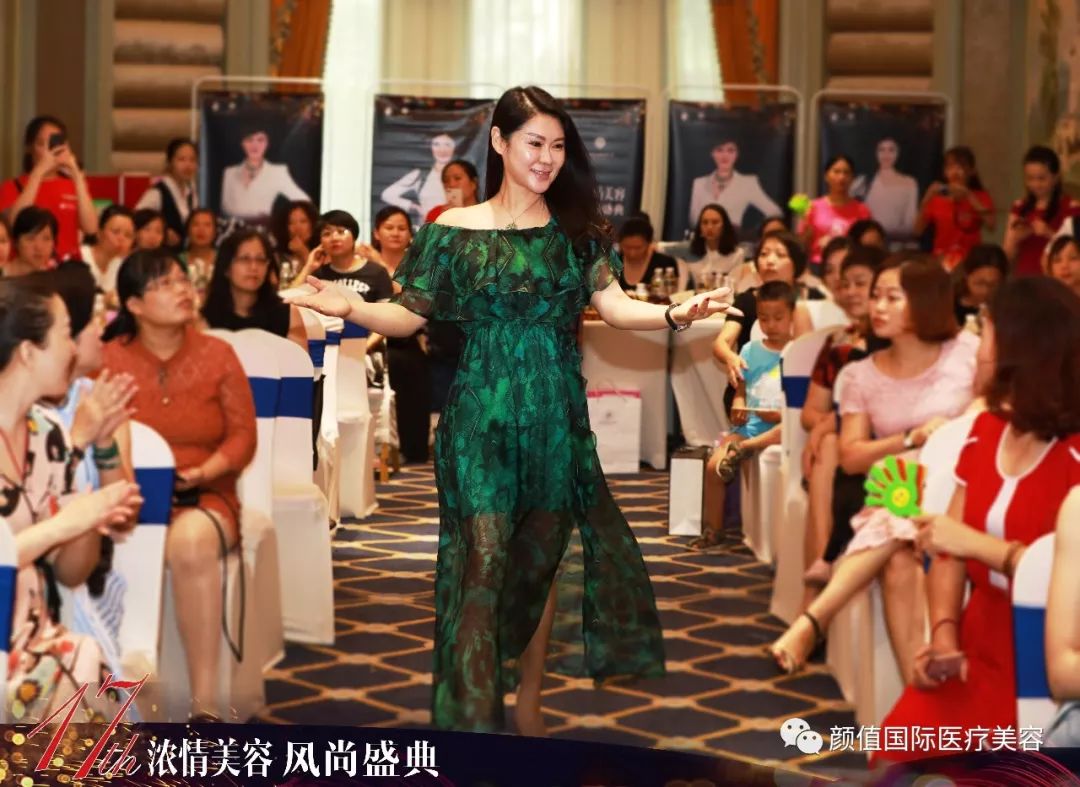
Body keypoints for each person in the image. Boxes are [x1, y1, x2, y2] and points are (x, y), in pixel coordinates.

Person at [285, 85, 737, 735]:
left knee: (537, 561)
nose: (547, 157)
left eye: (558, 146)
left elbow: (613, 307)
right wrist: (351, 306)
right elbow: (408, 314)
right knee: (482, 556)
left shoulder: (577, 232)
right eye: (534, 143)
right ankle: (472, 712)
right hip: (480, 419)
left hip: (555, 418)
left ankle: (529, 697)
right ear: (498, 142)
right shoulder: (451, 231)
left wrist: (673, 312)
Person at [874, 276, 1080, 764]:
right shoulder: (985, 430)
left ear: (1017, 349)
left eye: (985, 332)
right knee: (892, 756)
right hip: (975, 641)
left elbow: (1055, 572)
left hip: (1041, 657)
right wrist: (944, 634)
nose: (977, 350)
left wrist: (976, 545)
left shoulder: (1074, 455)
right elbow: (945, 547)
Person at [768, 256, 979, 679]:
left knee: (907, 494)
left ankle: (814, 619)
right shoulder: (860, 375)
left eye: (892, 297)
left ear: (926, 300)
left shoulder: (968, 353)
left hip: (960, 491)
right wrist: (909, 439)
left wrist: (954, 430)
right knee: (899, 553)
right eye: (876, 296)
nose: (878, 306)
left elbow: (993, 409)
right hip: (887, 493)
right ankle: (917, 695)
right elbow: (851, 455)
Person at [102, 249, 257, 722]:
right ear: (134, 304)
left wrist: (205, 472)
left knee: (188, 543)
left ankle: (204, 706)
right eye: (165, 284)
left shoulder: (217, 354)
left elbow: (243, 436)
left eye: (183, 280)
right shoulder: (108, 361)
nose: (183, 290)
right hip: (127, 499)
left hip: (204, 495)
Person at [0, 277, 142, 722]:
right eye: (65, 334)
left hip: (34, 638)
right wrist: (67, 522)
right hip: (12, 651)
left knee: (82, 664)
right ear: (28, 352)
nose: (74, 350)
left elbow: (69, 571)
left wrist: (92, 519)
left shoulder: (49, 436)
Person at [798, 246, 885, 594]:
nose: (850, 292)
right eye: (845, 284)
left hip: (883, 448)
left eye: (860, 283)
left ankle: (819, 582)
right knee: (831, 446)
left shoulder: (896, 340)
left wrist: (830, 424)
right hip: (840, 450)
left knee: (832, 444)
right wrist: (827, 424)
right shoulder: (838, 342)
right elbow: (809, 412)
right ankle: (824, 565)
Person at [690, 281, 795, 549]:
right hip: (750, 427)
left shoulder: (798, 353)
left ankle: (745, 450)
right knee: (714, 467)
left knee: (786, 428)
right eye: (764, 319)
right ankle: (713, 530)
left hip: (782, 429)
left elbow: (800, 404)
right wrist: (738, 403)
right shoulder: (750, 350)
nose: (771, 325)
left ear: (792, 316)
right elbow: (741, 388)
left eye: (778, 318)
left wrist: (780, 415)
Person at [713, 231, 816, 388]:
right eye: (764, 254)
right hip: (752, 386)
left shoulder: (811, 298)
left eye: (780, 255)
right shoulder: (747, 300)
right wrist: (731, 358)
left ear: (796, 263)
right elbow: (722, 342)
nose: (769, 261)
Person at [0, 116, 97, 261]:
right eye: (41, 144)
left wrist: (76, 175)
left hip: (68, 266)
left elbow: (91, 228)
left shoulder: (73, 185)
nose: (48, 150)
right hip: (29, 268)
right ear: (30, 147)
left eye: (53, 143)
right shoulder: (12, 186)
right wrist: (39, 172)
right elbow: (14, 223)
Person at [201, 228, 307, 351]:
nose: (254, 267)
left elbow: (300, 362)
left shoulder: (287, 314)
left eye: (260, 260)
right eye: (245, 259)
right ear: (226, 267)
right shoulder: (206, 316)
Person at [914, 145, 995, 271]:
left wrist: (969, 196)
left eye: (960, 167)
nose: (955, 172)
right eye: (950, 167)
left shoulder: (980, 196)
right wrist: (926, 199)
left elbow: (991, 224)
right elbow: (917, 231)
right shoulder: (937, 198)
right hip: (941, 260)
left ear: (971, 170)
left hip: (970, 261)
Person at [1003, 146, 1077, 277]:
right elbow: (1006, 256)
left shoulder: (1071, 207)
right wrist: (1015, 239)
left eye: (1041, 178)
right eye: (1030, 178)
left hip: (1057, 279)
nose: (1035, 184)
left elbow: (1076, 251)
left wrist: (1050, 233)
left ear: (1056, 177)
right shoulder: (1019, 207)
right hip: (1025, 278)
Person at [688, 138, 780, 237]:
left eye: (730, 150)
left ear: (737, 154)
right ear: (712, 153)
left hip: (733, 242)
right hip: (704, 242)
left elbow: (775, 212)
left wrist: (751, 233)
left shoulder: (748, 183)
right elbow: (693, 221)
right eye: (719, 150)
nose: (724, 156)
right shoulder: (699, 183)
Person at [220, 123, 311, 223]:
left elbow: (305, 201)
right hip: (233, 229)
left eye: (260, 140)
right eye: (249, 140)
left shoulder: (277, 172)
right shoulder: (229, 172)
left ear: (267, 143)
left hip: (262, 229)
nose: (254, 145)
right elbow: (224, 208)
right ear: (242, 143)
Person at [799, 155, 872, 265]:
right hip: (818, 264)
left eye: (846, 172)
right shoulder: (813, 207)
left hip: (849, 265)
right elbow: (802, 244)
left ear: (852, 178)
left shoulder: (862, 210)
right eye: (836, 172)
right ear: (826, 176)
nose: (841, 177)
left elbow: (867, 246)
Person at [667, 204, 750, 293]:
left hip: (722, 298)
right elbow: (661, 246)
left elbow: (734, 288)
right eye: (705, 222)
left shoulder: (737, 254)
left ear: (724, 226)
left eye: (715, 222)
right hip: (697, 298)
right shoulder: (689, 250)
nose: (709, 227)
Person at [134, 138, 199, 248]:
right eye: (181, 159)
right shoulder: (158, 192)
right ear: (170, 162)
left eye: (192, 160)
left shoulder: (191, 193)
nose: (187, 165)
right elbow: (136, 219)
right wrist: (163, 230)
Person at [381, 132, 456, 227]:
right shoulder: (420, 174)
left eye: (447, 145)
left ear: (454, 148)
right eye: (436, 144)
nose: (442, 150)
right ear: (431, 148)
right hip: (427, 230)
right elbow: (387, 194)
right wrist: (414, 207)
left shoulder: (458, 177)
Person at [853, 137, 918, 240]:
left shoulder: (909, 183)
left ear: (898, 153)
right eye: (882, 150)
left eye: (891, 150)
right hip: (869, 244)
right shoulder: (863, 181)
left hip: (898, 244)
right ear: (875, 153)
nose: (886, 155)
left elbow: (910, 224)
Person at [78, 205, 135, 296]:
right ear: (99, 232)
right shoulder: (80, 257)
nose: (121, 239)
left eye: (128, 235)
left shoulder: (121, 266)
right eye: (115, 232)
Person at [615, 214, 678, 291]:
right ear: (620, 244)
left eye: (638, 248)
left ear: (649, 244)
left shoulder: (665, 263)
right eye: (627, 247)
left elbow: (673, 293)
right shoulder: (613, 262)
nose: (632, 253)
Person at [953, 244, 1007, 328]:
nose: (985, 291)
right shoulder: (949, 304)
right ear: (966, 276)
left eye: (993, 285)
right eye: (979, 283)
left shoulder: (1007, 307)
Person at [5, 206, 57, 277]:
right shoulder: (2, 275)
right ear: (16, 242)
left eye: (46, 238)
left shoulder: (55, 275)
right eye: (31, 238)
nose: (39, 247)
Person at [271, 200, 318, 276]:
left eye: (303, 221)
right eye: (291, 222)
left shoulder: (322, 252)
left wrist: (304, 253)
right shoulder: (276, 257)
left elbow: (321, 279)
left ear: (313, 224)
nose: (297, 227)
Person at [426, 159, 481, 224]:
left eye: (457, 178)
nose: (451, 184)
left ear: (473, 183)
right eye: (446, 180)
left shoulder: (487, 214)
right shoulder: (435, 214)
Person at [180, 208, 218, 300]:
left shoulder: (224, 258)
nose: (201, 230)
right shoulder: (176, 261)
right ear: (188, 230)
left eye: (207, 225)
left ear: (215, 232)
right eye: (195, 224)